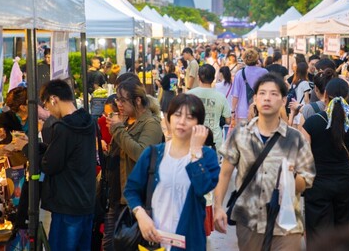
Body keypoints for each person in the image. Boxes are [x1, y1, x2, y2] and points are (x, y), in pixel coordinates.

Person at [214, 73, 316, 251]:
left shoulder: (295, 138)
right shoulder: (241, 133)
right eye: (262, 93)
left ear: (284, 100)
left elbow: (307, 181)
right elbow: (225, 173)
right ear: (255, 98)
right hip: (248, 221)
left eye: (274, 94)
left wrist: (291, 177)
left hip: (286, 224)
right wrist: (218, 208)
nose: (267, 98)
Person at [124, 94, 220, 250]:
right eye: (177, 115)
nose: (182, 122)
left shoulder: (206, 156)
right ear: (168, 118)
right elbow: (131, 190)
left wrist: (195, 153)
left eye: (190, 117)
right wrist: (141, 216)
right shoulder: (154, 153)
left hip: (189, 242)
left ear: (199, 124)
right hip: (153, 241)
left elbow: (203, 187)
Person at [102, 80, 163, 251]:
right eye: (117, 100)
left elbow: (141, 154)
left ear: (137, 100)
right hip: (116, 195)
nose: (118, 104)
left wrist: (118, 130)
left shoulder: (151, 124)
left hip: (135, 201)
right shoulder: (127, 121)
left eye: (123, 100)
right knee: (110, 245)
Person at [301, 78, 349, 248]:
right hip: (343, 181)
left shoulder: (312, 123)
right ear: (347, 98)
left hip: (317, 182)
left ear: (325, 95)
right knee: (342, 230)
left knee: (318, 230)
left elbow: (304, 156)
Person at [39, 79, 97, 251]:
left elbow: (50, 165)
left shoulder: (65, 128)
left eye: (46, 104)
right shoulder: (87, 121)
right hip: (86, 201)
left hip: (67, 205)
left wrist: (30, 148)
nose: (47, 109)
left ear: (54, 99)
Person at [188, 64, 231, 150]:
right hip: (214, 140)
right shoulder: (221, 97)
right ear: (213, 78)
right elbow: (228, 120)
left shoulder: (189, 95)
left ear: (198, 77)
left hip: (192, 137)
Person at [230, 48, 268, 125]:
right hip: (260, 109)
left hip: (242, 111)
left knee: (243, 135)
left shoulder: (239, 74)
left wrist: (233, 111)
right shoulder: (264, 72)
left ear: (244, 59)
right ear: (257, 59)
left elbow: (235, 95)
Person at [158, 61, 178, 137]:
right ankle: (172, 130)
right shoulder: (175, 76)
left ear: (168, 67)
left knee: (166, 114)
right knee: (172, 114)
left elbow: (161, 85)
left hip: (166, 95)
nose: (165, 67)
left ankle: (169, 131)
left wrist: (157, 81)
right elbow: (173, 87)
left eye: (166, 66)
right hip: (172, 95)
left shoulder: (167, 76)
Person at [288, 62, 311, 128]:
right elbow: (306, 99)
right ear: (305, 71)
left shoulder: (293, 82)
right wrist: (308, 109)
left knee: (294, 132)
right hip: (301, 109)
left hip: (294, 109)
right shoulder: (305, 83)